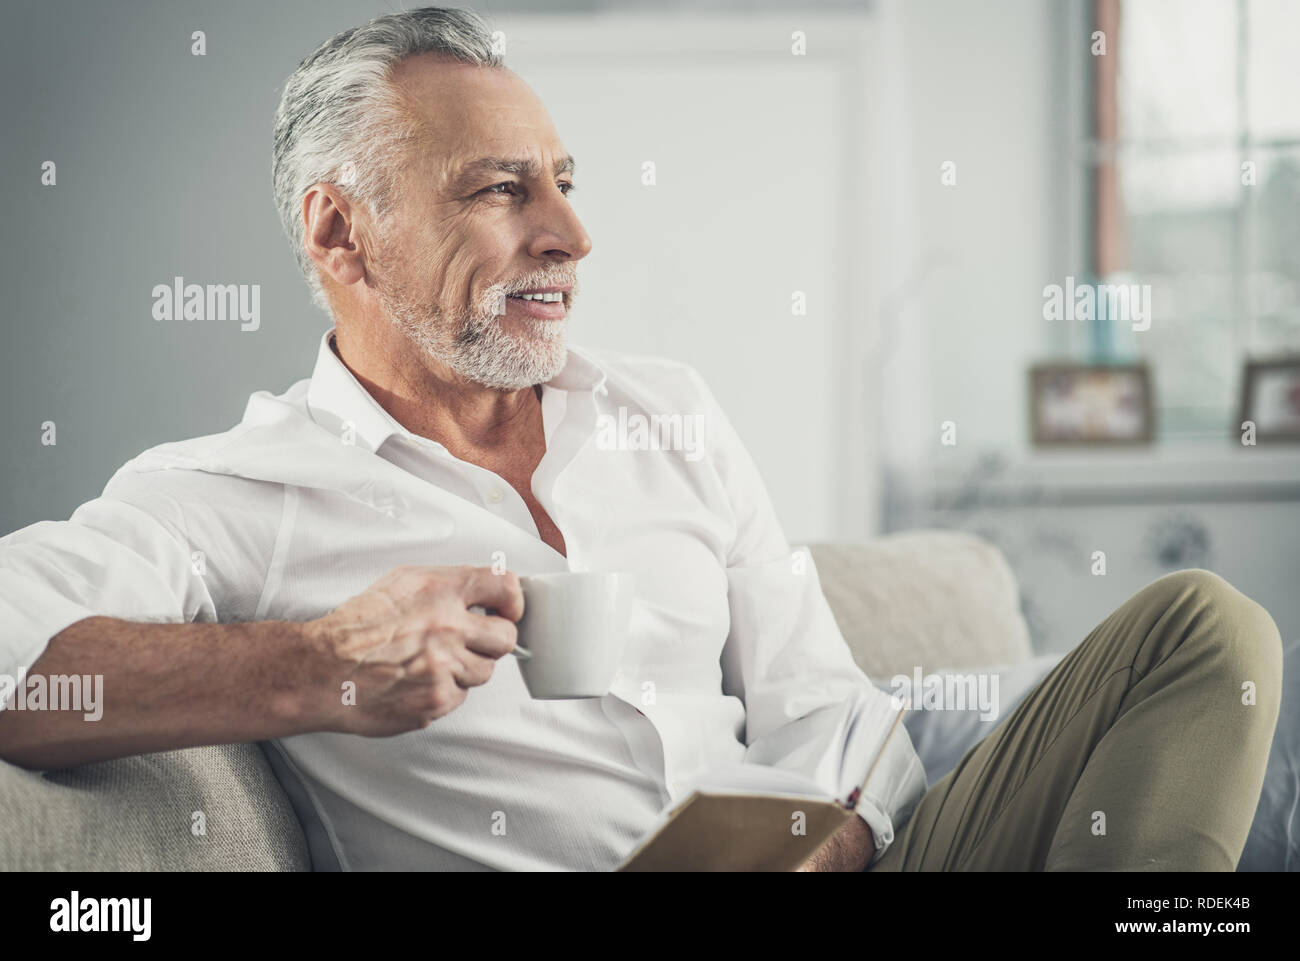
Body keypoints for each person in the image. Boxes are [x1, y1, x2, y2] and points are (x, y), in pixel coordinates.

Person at [0, 8, 1281, 872]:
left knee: (1202, 630)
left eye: (564, 179)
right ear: (340, 235)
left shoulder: (664, 409)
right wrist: (318, 663)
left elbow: (821, 700)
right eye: (502, 189)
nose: (569, 233)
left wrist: (845, 823)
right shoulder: (239, 492)